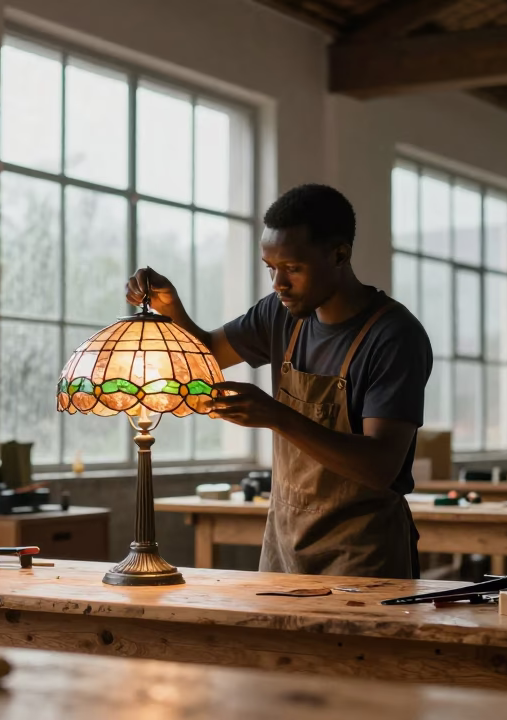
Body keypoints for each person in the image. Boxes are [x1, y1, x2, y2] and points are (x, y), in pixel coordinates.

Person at [125, 184, 432, 579]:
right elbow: (206, 354)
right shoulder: (280, 313)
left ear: (339, 254)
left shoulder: (393, 336)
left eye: (293, 268)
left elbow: (379, 467)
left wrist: (277, 415)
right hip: (285, 545)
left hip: (362, 553)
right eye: (270, 267)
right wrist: (171, 307)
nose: (277, 283)